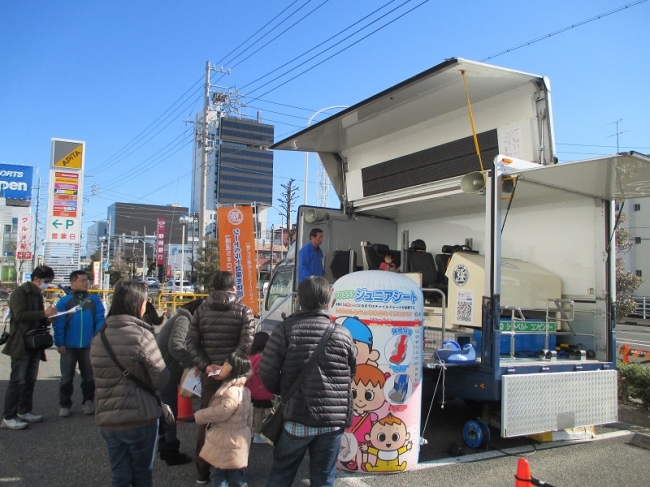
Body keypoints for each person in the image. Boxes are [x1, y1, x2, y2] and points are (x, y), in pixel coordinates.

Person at [259, 276, 356, 487]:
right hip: (332, 419)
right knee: (323, 478)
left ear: (300, 300)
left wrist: (285, 391)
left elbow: (266, 372)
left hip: (298, 416)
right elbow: (350, 373)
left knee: (282, 474)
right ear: (328, 300)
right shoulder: (343, 334)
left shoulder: (284, 329)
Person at [90, 280, 170, 487]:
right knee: (143, 475)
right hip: (140, 416)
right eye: (145, 301)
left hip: (108, 417)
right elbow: (161, 379)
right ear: (137, 303)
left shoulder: (99, 337)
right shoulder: (142, 335)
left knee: (120, 476)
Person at [186, 270, 254, 484]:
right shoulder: (244, 310)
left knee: (207, 419)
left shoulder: (201, 310)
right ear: (234, 288)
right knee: (237, 421)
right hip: (234, 376)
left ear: (214, 288)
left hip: (209, 376)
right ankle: (234, 470)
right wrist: (228, 366)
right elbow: (246, 343)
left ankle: (203, 471)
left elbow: (191, 342)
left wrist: (206, 366)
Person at [1, 265, 58, 430]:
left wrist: (48, 319)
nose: (47, 285)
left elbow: (38, 317)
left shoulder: (38, 294)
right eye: (46, 282)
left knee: (30, 379)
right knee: (17, 380)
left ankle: (24, 410)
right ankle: (8, 416)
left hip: (35, 341)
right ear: (36, 279)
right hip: (21, 341)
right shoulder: (20, 293)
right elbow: (19, 315)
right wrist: (44, 314)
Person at [155, 298, 204, 466]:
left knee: (166, 409)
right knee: (169, 410)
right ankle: (170, 450)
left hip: (164, 368)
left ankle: (164, 443)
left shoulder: (184, 318)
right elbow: (175, 345)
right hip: (165, 370)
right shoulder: (184, 320)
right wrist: (194, 361)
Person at [194, 351, 252, 487]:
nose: (222, 366)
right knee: (235, 473)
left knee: (218, 474)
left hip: (224, 442)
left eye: (226, 364)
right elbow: (250, 416)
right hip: (237, 440)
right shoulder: (243, 390)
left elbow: (223, 411)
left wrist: (200, 415)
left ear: (234, 370)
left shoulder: (231, 391)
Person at [53, 270, 106, 418]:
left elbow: (100, 319)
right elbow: (59, 323)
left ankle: (88, 401)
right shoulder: (64, 302)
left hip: (89, 345)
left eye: (86, 280)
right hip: (68, 346)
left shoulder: (94, 300)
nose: (85, 283)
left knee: (89, 376)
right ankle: (64, 404)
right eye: (82, 280)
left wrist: (96, 338)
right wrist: (59, 342)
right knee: (66, 377)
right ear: (73, 283)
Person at [246, 331, 273, 444]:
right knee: (259, 413)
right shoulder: (261, 359)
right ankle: (258, 434)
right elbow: (263, 374)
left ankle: (251, 431)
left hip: (250, 390)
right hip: (261, 391)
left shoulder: (249, 356)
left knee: (251, 411)